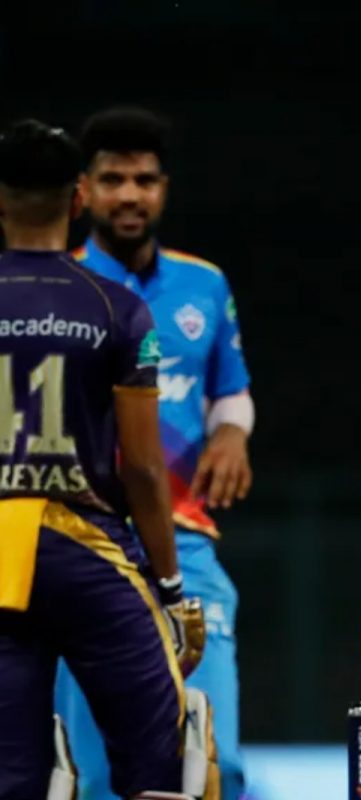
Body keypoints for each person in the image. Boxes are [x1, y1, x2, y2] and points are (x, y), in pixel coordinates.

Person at [0, 119, 207, 799]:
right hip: (83, 554)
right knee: (168, 763)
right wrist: (170, 589)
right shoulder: (116, 307)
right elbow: (143, 468)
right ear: (79, 198)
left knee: (12, 775)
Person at [54, 106, 254, 800]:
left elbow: (230, 391)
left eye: (144, 180)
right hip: (85, 545)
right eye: (113, 180)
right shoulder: (57, 287)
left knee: (219, 768)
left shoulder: (205, 284)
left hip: (186, 543)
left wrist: (231, 433)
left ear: (163, 188)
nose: (130, 195)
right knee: (97, 781)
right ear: (83, 191)